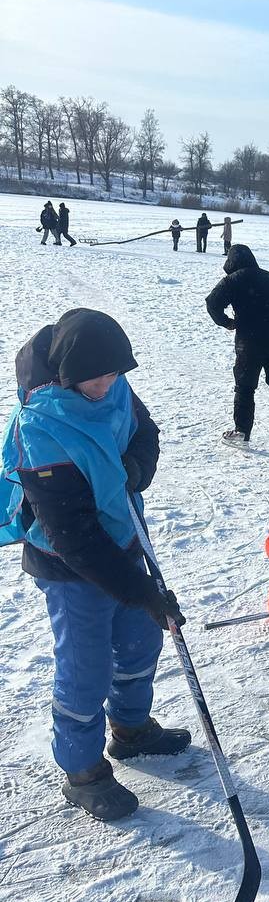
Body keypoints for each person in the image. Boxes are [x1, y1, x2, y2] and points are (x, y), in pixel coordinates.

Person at [0, 310, 188, 822]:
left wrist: (136, 467)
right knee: (87, 668)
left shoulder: (116, 390)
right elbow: (75, 538)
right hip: (69, 565)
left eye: (115, 373)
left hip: (125, 541)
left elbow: (145, 432)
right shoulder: (42, 428)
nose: (108, 384)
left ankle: (131, 730)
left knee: (140, 641)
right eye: (97, 375)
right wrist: (142, 590)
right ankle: (82, 771)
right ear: (67, 373)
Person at [205, 244, 269, 448]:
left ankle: (242, 432)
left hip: (249, 344)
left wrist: (227, 322)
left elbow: (212, 303)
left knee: (244, 387)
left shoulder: (231, 281)